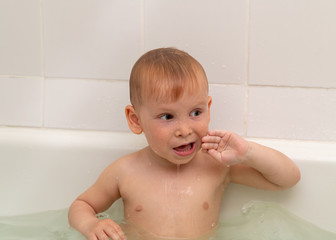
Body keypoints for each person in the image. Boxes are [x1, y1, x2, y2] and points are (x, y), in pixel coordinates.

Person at [68, 47, 301, 240]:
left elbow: (287, 180)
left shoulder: (216, 165)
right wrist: (91, 226)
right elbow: (82, 205)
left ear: (208, 108)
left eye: (195, 112)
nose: (185, 130)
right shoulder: (124, 171)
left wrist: (248, 152)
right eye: (167, 117)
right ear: (136, 120)